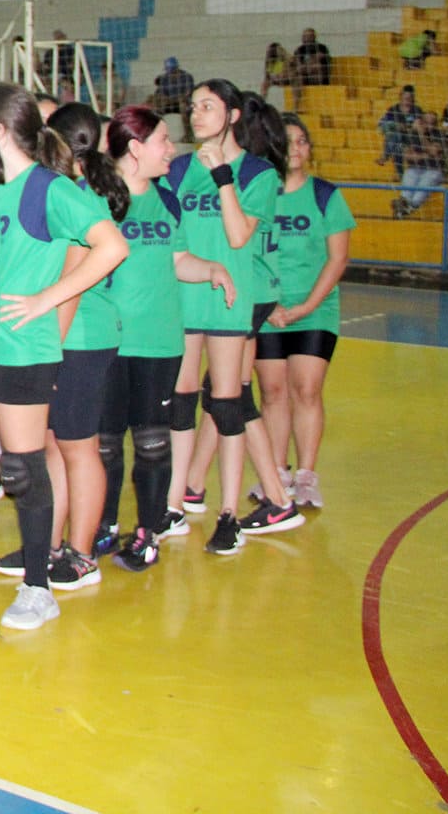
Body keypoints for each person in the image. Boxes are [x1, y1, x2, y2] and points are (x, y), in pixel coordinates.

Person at [0, 82, 127, 633]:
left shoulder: (49, 190)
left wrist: (45, 299)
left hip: (25, 347)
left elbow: (111, 247)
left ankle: (38, 587)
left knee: (22, 466)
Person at [98, 106, 236, 572]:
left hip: (159, 343)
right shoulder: (98, 200)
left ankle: (147, 533)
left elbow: (177, 261)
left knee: (153, 443)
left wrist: (212, 268)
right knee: (106, 444)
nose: (171, 149)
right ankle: (102, 527)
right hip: (108, 342)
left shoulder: (167, 200)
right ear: (135, 148)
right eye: (162, 140)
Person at [169, 80, 302, 553]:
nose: (196, 114)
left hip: (230, 301)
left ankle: (229, 514)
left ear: (232, 115)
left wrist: (224, 176)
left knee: (228, 403)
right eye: (192, 107)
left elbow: (239, 235)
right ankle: (177, 502)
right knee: (181, 400)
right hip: (185, 299)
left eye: (208, 106)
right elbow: (170, 235)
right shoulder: (180, 168)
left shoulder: (258, 174)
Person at [256, 114, 353, 510]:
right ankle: (275, 473)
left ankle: (306, 476)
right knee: (272, 391)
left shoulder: (326, 195)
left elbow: (338, 258)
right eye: (288, 141)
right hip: (267, 309)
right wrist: (271, 304)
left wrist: (305, 307)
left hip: (314, 310)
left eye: (302, 142)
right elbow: (250, 249)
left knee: (306, 390)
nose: (296, 148)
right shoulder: (260, 194)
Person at [395, 110, 447, 217]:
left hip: (434, 170)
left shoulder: (439, 134)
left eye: (432, 123)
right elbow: (408, 156)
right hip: (415, 168)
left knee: (423, 187)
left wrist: (422, 135)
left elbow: (434, 151)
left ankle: (407, 208)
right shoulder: (413, 134)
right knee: (409, 175)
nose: (429, 126)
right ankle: (404, 204)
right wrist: (427, 155)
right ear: (421, 122)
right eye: (426, 122)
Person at [377, 85, 422, 170]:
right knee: (395, 136)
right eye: (405, 98)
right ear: (400, 97)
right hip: (398, 143)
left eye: (409, 98)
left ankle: (385, 156)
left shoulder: (417, 110)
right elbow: (382, 125)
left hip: (410, 141)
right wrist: (396, 126)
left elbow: (418, 128)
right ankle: (400, 174)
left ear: (413, 99)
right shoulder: (393, 109)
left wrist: (404, 128)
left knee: (395, 138)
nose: (407, 101)